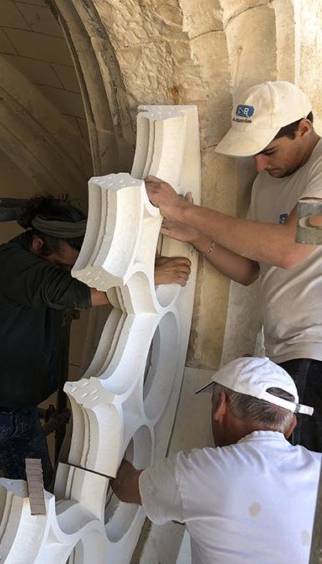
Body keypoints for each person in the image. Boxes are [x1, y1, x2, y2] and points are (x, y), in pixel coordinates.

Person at [0, 195, 191, 487]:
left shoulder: (48, 255)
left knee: (36, 495)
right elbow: (73, 291)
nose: (71, 268)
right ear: (38, 244)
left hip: (23, 414)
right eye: (62, 263)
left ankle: (17, 529)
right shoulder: (12, 263)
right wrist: (150, 277)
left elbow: (96, 272)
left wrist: (148, 263)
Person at [145, 81, 322, 451]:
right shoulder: (265, 184)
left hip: (316, 352)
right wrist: (195, 236)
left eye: (269, 151)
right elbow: (250, 270)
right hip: (287, 355)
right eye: (253, 153)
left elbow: (290, 248)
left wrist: (184, 209)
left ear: (303, 129)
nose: (259, 164)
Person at [111, 356, 321, 564]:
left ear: (220, 405)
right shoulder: (317, 465)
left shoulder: (201, 472)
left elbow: (125, 486)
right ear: (291, 426)